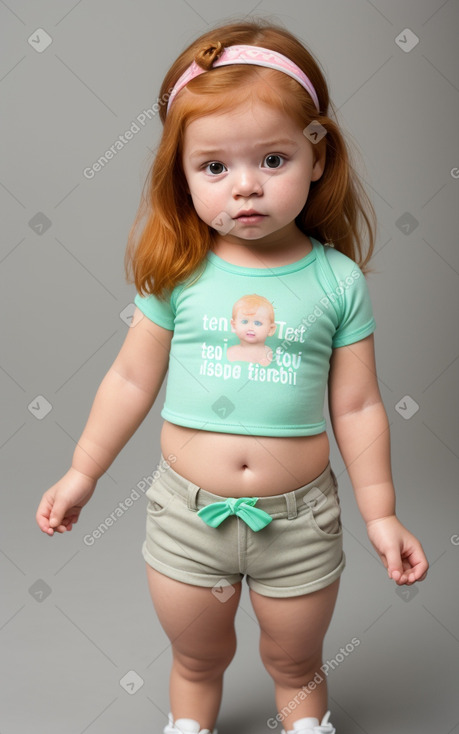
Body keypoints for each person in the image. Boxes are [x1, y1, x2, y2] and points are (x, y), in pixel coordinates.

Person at [36, 19, 429, 734]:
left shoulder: (336, 281)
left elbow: (360, 405)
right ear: (181, 175)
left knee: (296, 662)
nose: (243, 188)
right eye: (213, 167)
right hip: (189, 520)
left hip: (299, 522)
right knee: (196, 658)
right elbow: (130, 380)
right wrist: (81, 473)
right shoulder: (179, 275)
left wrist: (380, 513)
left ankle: (306, 723)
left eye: (271, 159)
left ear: (316, 158)